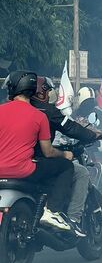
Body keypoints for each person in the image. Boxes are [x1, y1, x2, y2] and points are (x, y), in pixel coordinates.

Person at [0, 71, 75, 231]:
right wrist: (64, 154)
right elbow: (48, 152)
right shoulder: (39, 116)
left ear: (13, 89)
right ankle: (52, 211)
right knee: (66, 166)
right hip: (23, 171)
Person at [31, 77, 101, 236]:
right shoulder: (47, 111)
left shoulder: (14, 109)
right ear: (41, 93)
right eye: (48, 90)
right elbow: (70, 127)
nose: (50, 94)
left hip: (18, 161)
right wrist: (91, 135)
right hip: (40, 160)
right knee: (80, 171)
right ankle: (72, 219)